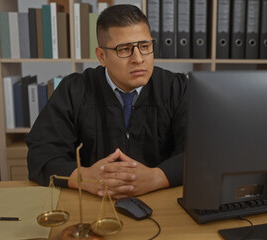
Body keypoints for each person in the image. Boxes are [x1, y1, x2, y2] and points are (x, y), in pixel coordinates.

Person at [26, 4, 188, 199]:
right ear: (102, 56)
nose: (138, 58)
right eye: (124, 49)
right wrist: (83, 177)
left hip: (161, 202)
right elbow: (41, 153)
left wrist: (157, 177)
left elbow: (199, 152)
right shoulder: (74, 90)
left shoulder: (176, 88)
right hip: (91, 202)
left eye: (145, 46)